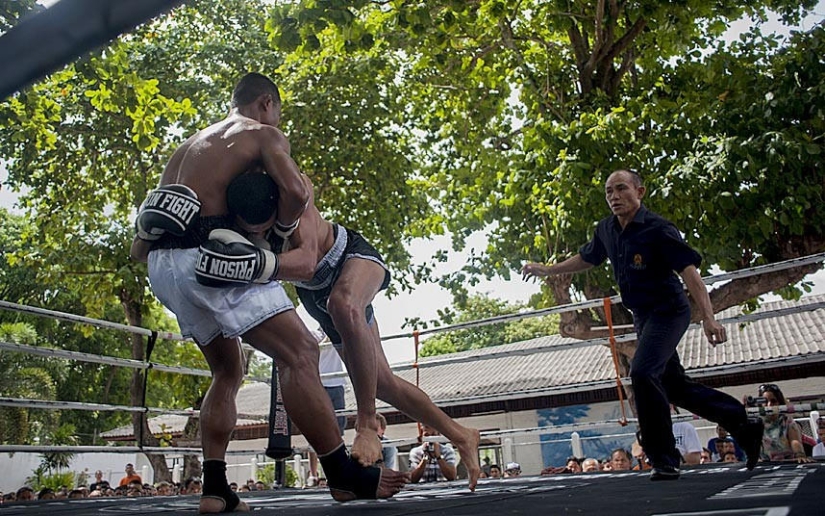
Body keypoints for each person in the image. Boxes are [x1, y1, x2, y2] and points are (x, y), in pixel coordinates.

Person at [129, 72, 407, 510]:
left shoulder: (188, 146)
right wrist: (277, 234)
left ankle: (215, 487)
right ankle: (342, 474)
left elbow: (142, 242)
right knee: (298, 352)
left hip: (164, 268)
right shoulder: (262, 133)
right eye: (278, 111)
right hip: (216, 258)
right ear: (266, 103)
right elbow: (296, 192)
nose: (279, 120)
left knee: (227, 371)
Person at [223, 170, 482, 490]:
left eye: (265, 225)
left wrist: (255, 263)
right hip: (316, 294)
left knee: (344, 304)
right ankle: (462, 435)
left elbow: (305, 262)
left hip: (351, 259)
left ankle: (367, 424)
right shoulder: (232, 218)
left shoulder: (294, 195)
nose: (261, 232)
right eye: (252, 230)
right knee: (382, 382)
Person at [521, 168, 763, 481]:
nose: (614, 197)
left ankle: (663, 458)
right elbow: (588, 258)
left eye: (621, 189)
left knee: (643, 372)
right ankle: (743, 423)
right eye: (609, 191)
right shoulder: (607, 229)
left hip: (670, 311)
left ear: (640, 191)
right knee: (673, 386)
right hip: (643, 316)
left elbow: (690, 274)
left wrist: (709, 317)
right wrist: (547, 269)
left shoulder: (658, 229)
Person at [307, 332, 347, 487]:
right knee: (315, 429)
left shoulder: (337, 330)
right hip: (319, 383)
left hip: (337, 383)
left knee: (338, 430)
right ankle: (313, 473)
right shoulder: (313, 334)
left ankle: (337, 472)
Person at [756, 383, 813, 463]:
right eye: (765, 401)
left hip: (787, 464)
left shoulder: (787, 421)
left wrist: (800, 455)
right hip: (766, 465)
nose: (769, 405)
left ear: (779, 403)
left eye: (773, 401)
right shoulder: (757, 423)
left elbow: (795, 440)